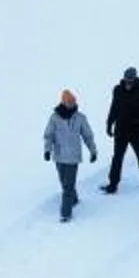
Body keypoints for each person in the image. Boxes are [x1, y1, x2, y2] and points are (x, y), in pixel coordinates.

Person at [43, 89, 98, 222]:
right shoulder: (54, 118)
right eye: (69, 102)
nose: (72, 104)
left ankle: (65, 213)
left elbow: (88, 135)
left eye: (73, 102)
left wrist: (93, 151)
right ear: (63, 102)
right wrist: (47, 150)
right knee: (64, 183)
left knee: (68, 185)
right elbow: (49, 135)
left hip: (73, 157)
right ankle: (73, 199)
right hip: (59, 156)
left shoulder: (80, 118)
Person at [104, 66, 139, 194]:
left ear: (135, 79)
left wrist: (138, 120)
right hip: (121, 131)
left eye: (130, 81)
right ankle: (113, 184)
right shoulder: (117, 90)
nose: (128, 83)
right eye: (126, 80)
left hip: (137, 131)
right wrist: (109, 124)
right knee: (117, 157)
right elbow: (114, 108)